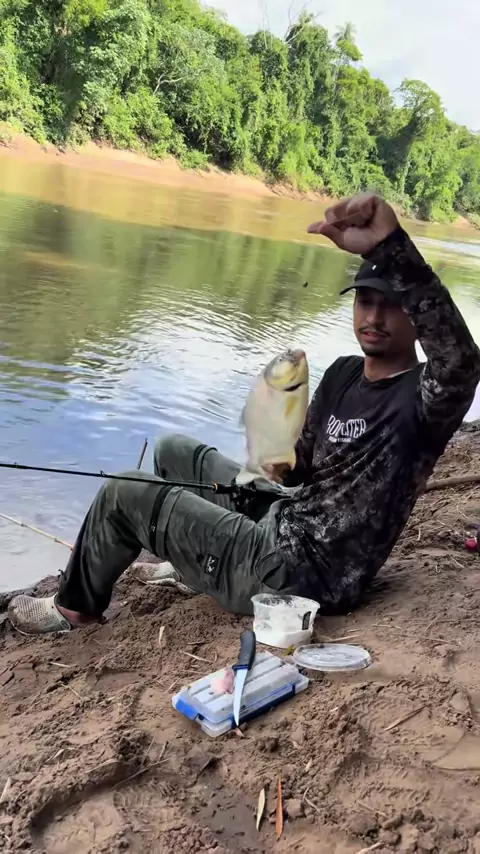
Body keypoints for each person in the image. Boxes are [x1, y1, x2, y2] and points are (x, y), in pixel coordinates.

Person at [9, 192, 480, 636]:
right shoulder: (343, 373)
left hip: (299, 574)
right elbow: (300, 466)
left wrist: (391, 244)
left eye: (391, 306)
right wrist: (278, 454)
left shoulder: (426, 398)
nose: (373, 318)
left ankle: (74, 609)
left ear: (415, 316)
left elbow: (460, 359)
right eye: (365, 301)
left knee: (124, 492)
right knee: (175, 451)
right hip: (283, 523)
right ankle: (195, 564)